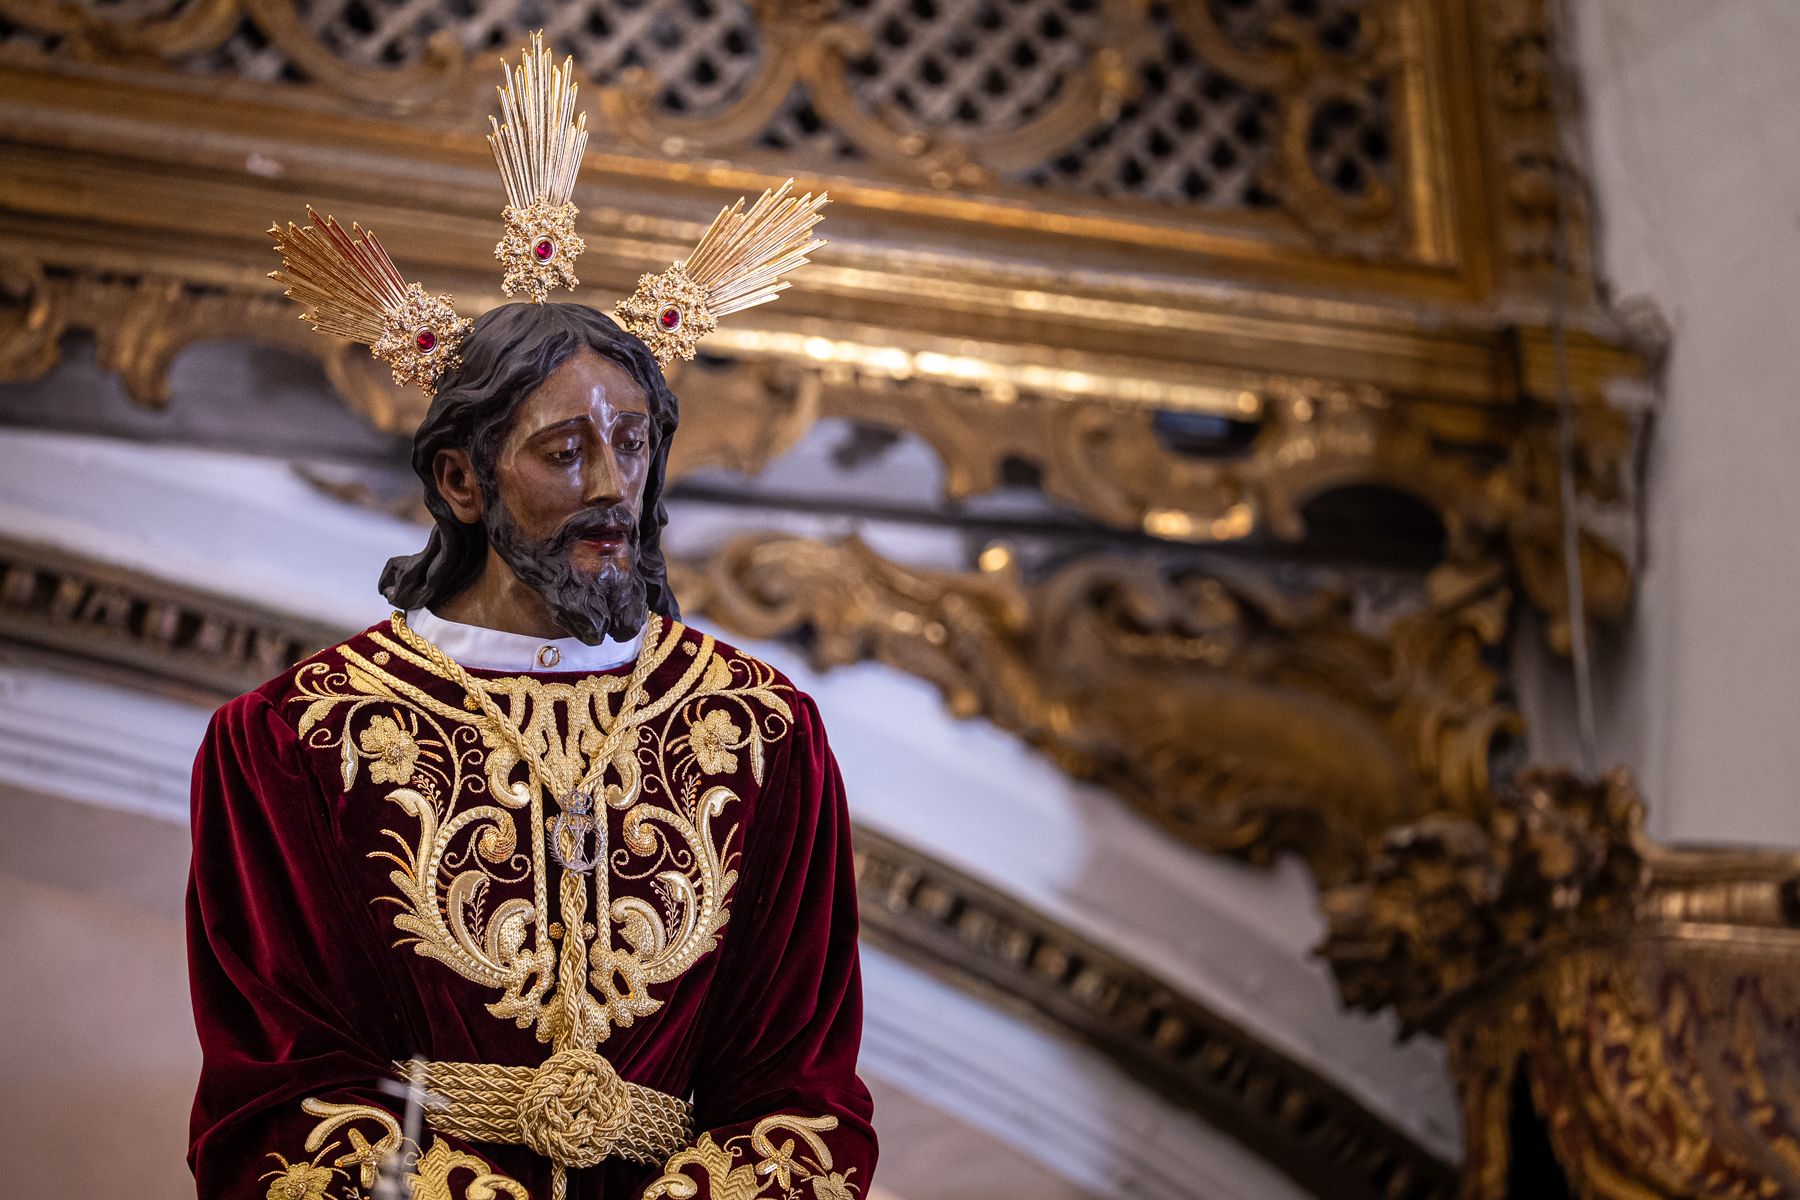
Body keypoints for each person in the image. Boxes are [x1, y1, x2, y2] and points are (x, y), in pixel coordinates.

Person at [186, 34, 871, 1200]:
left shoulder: (764, 737)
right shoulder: (292, 744)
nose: (616, 487)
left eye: (635, 444)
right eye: (566, 450)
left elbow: (801, 1090)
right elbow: (286, 1091)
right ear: (463, 481)